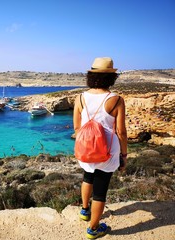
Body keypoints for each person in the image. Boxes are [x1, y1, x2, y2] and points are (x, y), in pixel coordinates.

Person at [73, 57, 128, 239]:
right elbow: (121, 131)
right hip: (107, 152)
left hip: (86, 148)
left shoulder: (80, 98)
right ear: (111, 78)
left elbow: (76, 128)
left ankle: (84, 210)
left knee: (88, 177)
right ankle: (93, 229)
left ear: (91, 76)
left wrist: (87, 142)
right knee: (101, 190)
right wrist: (124, 154)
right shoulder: (116, 100)